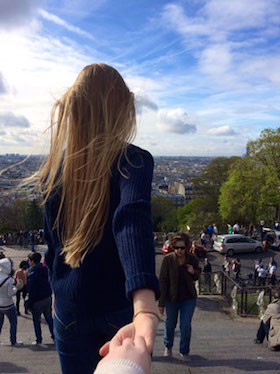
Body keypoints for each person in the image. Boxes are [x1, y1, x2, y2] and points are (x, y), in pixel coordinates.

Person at [32, 64, 159, 373]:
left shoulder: (54, 170)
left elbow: (53, 245)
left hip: (68, 305)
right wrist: (144, 306)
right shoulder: (133, 160)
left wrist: (57, 288)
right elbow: (131, 220)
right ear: (121, 109)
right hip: (118, 304)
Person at [158, 232, 201, 359]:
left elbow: (198, 274)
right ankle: (168, 346)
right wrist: (161, 303)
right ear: (173, 247)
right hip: (171, 298)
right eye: (177, 248)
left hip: (188, 298)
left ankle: (184, 351)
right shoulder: (168, 260)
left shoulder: (192, 258)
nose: (179, 250)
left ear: (186, 247)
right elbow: (163, 281)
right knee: (170, 324)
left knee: (185, 325)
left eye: (182, 248)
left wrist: (193, 272)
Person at [26, 252, 54, 346]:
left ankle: (39, 339)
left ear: (32, 261)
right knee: (49, 318)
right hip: (47, 297)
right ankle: (54, 336)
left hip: (37, 300)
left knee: (36, 321)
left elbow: (31, 290)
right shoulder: (45, 268)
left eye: (29, 260)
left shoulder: (31, 273)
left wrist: (29, 304)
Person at [0, 257, 22, 346]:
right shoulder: (8, 280)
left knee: (0, 324)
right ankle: (13, 341)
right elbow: (10, 294)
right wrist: (16, 289)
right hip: (8, 304)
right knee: (13, 323)